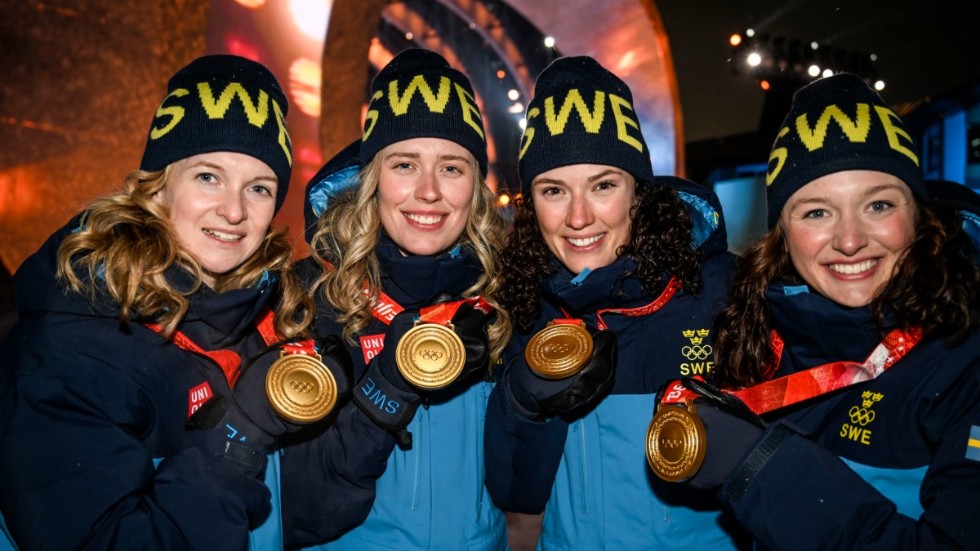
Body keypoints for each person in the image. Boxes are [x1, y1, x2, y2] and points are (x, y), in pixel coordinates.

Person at [0, 55, 351, 549]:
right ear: (159, 186)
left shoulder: (262, 321)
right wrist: (236, 442)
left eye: (258, 188)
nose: (233, 210)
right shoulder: (72, 345)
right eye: (208, 176)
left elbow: (308, 519)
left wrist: (376, 404)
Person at [668, 73, 980, 550]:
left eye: (877, 205)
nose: (850, 240)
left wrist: (755, 466)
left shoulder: (966, 362)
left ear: (919, 217)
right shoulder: (757, 332)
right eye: (817, 212)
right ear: (782, 236)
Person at [483, 56, 746, 550]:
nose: (579, 217)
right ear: (530, 203)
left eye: (603, 185)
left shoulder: (724, 293)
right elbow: (515, 494)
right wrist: (523, 403)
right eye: (554, 190)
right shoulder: (521, 307)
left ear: (639, 192)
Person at [278, 48, 512, 550]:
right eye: (405, 164)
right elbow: (295, 515)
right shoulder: (305, 299)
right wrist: (383, 393)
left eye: (451, 167)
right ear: (372, 178)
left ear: (475, 187)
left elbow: (522, 492)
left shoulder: (504, 302)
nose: (428, 192)